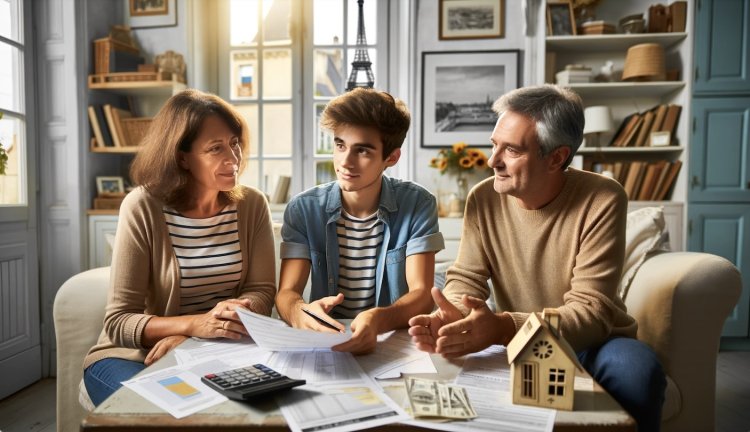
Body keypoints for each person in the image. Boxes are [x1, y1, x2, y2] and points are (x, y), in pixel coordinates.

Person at [408, 85, 666, 431]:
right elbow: (466, 279)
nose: (492, 160)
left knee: (638, 371)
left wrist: (503, 327)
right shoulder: (483, 197)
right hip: (516, 342)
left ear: (556, 157)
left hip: (594, 343)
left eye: (511, 150)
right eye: (493, 144)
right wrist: (454, 315)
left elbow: (591, 312)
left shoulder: (603, 198)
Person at [83, 89, 276, 406]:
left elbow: (262, 292)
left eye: (234, 143)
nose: (233, 158)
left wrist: (195, 338)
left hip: (217, 348)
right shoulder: (142, 206)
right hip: (135, 355)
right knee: (159, 412)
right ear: (181, 157)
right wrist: (193, 326)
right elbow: (118, 321)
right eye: (216, 148)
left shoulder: (252, 204)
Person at [276, 88, 444, 354]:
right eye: (340, 145)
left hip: (392, 342)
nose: (345, 161)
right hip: (326, 340)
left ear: (391, 157)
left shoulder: (418, 203)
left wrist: (378, 319)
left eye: (362, 151)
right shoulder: (304, 209)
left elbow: (422, 294)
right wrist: (300, 313)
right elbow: (286, 293)